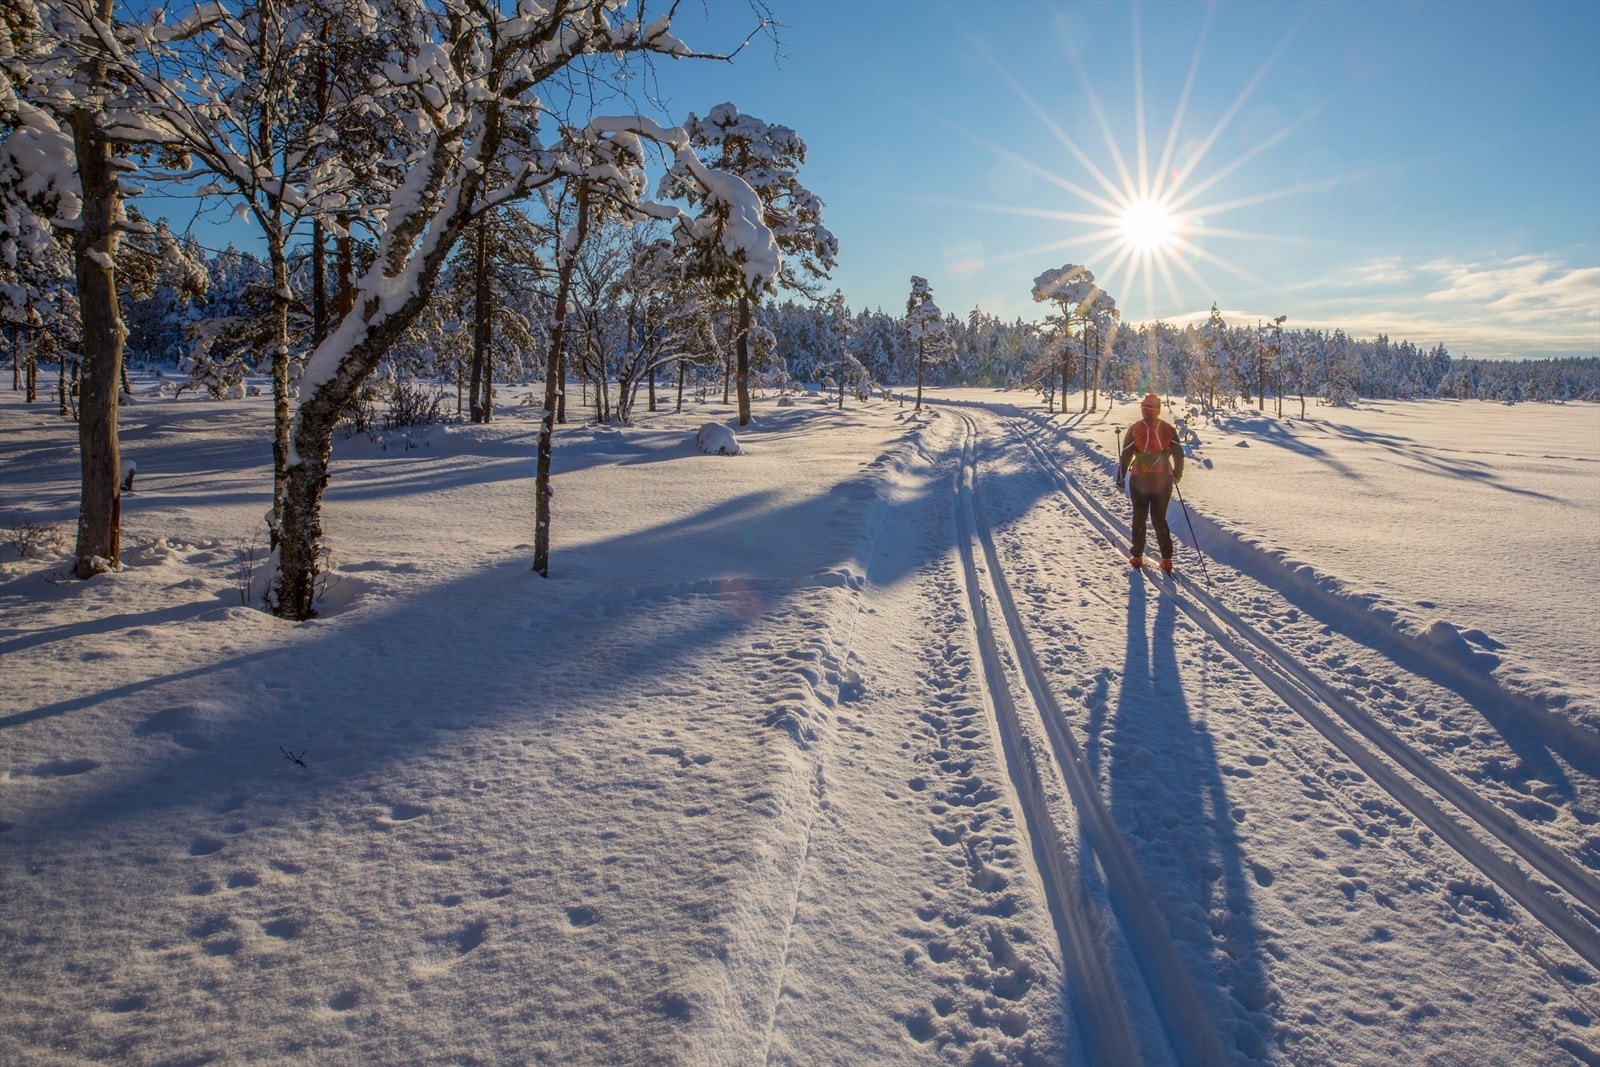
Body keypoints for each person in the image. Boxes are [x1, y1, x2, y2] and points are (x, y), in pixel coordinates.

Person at [1115, 393, 1186, 571]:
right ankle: (1167, 559)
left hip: (1140, 478)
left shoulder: (1135, 429)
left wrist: (1120, 477)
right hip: (1163, 479)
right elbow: (1178, 454)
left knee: (1139, 516)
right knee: (1159, 518)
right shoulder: (1168, 429)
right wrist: (1176, 474)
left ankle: (1137, 556)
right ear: (1158, 410)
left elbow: (1125, 455)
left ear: (1143, 408)